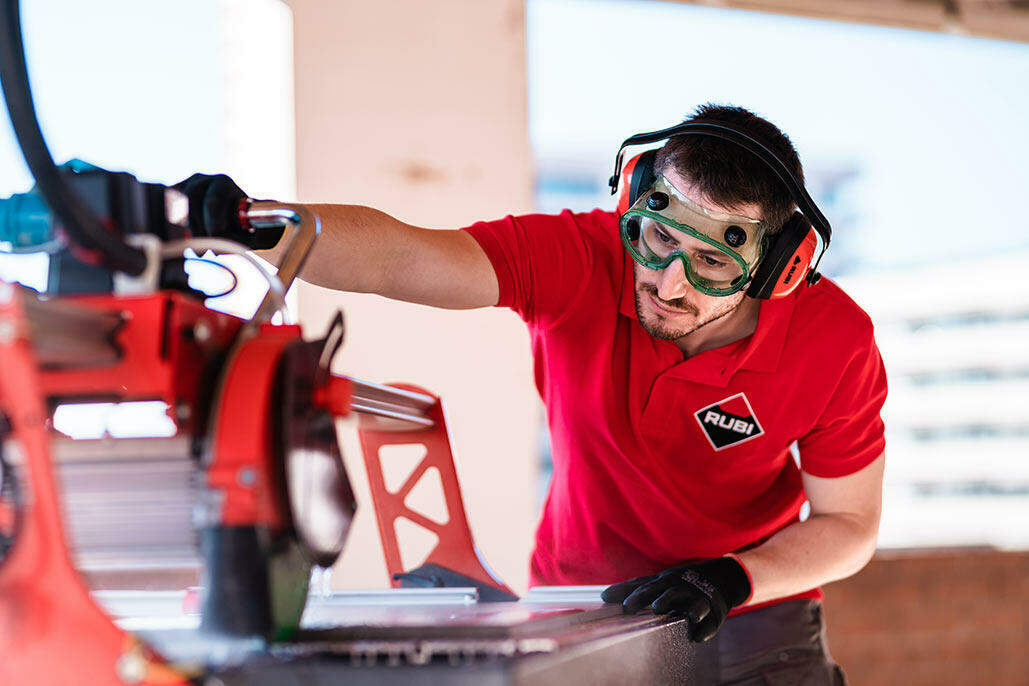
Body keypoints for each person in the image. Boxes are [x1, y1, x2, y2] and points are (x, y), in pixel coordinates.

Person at [176, 104, 886, 685]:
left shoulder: (835, 342)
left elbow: (847, 525)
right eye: (657, 239)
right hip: (586, 600)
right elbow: (406, 254)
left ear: (777, 267)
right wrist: (258, 226)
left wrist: (732, 579)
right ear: (632, 203)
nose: (669, 283)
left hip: (753, 606)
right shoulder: (579, 257)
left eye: (710, 263)